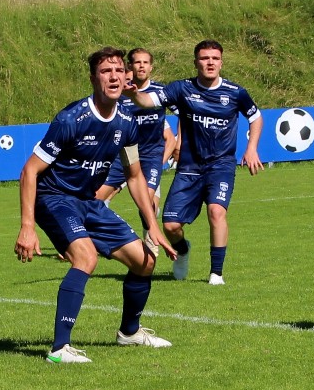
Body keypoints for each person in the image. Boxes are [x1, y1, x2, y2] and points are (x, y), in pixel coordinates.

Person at [18, 47, 174, 362]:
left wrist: (153, 225)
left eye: (118, 70)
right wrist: (27, 227)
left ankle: (129, 333)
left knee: (145, 262)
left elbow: (134, 176)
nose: (113, 77)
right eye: (105, 71)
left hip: (89, 202)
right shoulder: (71, 119)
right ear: (93, 78)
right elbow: (29, 171)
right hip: (55, 199)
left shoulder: (127, 122)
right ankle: (59, 349)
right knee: (86, 258)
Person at [138, 41, 261, 285]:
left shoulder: (235, 92)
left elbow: (255, 117)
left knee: (216, 212)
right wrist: (132, 94)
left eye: (215, 58)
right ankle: (183, 251)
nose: (210, 62)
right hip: (189, 168)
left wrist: (251, 148)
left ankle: (216, 273)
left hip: (221, 166)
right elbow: (148, 100)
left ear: (221, 62)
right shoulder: (181, 89)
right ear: (196, 62)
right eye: (204, 58)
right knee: (171, 225)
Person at [97, 46, 179, 233]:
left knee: (146, 205)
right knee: (95, 199)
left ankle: (150, 244)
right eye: (137, 62)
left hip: (150, 157)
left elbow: (184, 115)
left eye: (145, 62)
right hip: (123, 156)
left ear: (151, 67)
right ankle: (117, 235)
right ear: (130, 66)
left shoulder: (161, 92)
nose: (141, 66)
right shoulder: (119, 92)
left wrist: (179, 143)